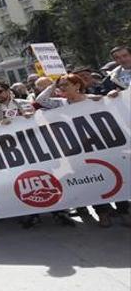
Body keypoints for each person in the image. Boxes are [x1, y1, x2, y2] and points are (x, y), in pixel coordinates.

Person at [35, 74, 122, 227]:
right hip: (79, 150)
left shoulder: (93, 99)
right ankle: (102, 212)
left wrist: (111, 96)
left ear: (77, 85)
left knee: (114, 176)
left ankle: (124, 210)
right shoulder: (61, 103)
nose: (62, 88)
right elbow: (41, 100)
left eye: (65, 85)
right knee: (93, 180)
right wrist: (54, 84)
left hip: (102, 146)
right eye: (60, 86)